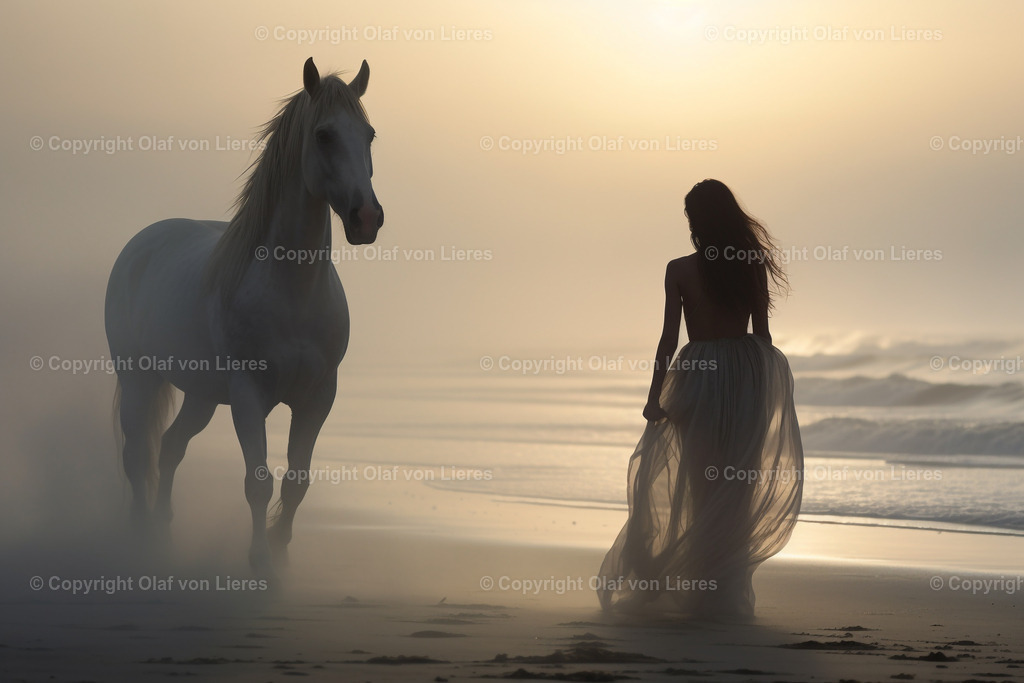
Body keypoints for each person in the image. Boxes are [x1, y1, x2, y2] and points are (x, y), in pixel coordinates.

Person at [597, 179, 804, 619]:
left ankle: (700, 587)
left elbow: (668, 341)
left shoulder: (679, 269)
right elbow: (763, 336)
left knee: (702, 480)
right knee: (738, 485)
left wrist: (654, 397)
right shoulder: (751, 262)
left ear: (696, 220)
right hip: (745, 373)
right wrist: (765, 388)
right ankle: (722, 592)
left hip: (699, 376)